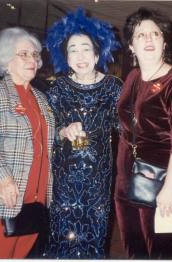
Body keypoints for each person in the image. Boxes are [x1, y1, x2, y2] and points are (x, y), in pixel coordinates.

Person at [115, 7, 172, 259]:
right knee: (134, 249)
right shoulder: (131, 77)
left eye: (155, 33)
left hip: (166, 179)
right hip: (128, 179)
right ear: (131, 45)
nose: (149, 39)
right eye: (141, 35)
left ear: (164, 42)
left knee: (162, 252)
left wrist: (171, 187)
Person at [0, 27, 55, 258]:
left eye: (35, 55)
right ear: (7, 60)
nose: (33, 60)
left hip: (35, 200)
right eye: (24, 54)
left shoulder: (41, 98)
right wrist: (3, 179)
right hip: (3, 197)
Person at [43, 8, 122, 259]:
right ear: (65, 57)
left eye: (86, 48)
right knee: (62, 232)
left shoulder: (113, 87)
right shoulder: (57, 89)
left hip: (99, 177)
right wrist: (62, 131)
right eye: (73, 49)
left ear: (97, 53)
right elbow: (46, 131)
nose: (80, 55)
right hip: (65, 177)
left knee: (94, 233)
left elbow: (127, 126)